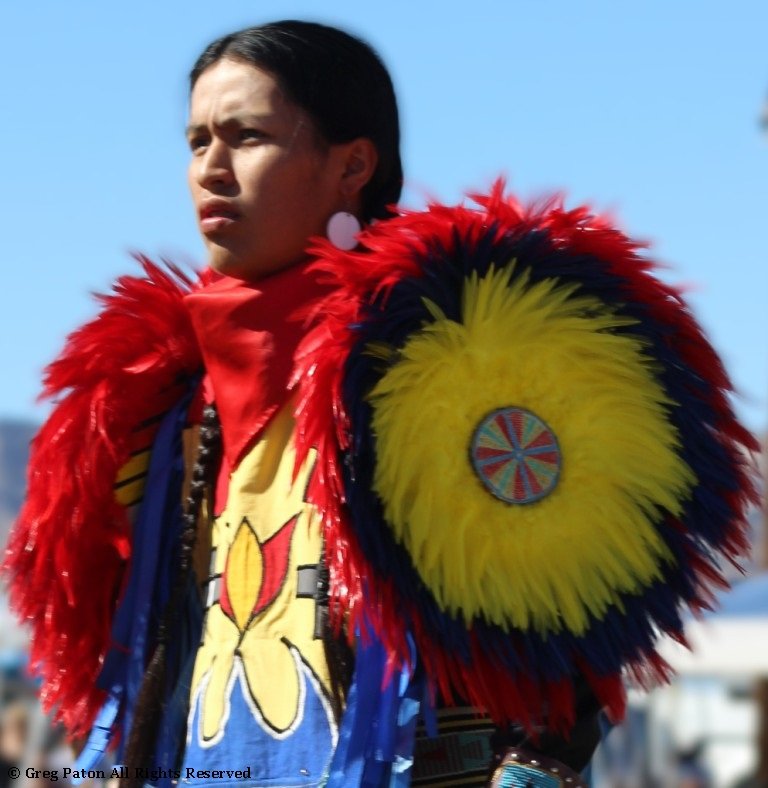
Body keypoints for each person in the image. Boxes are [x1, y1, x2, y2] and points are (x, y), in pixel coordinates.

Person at [3, 19, 756, 788]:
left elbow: (572, 635)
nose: (212, 170)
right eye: (197, 142)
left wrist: (537, 767)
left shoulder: (455, 356)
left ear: (353, 165)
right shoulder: (154, 414)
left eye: (248, 136)